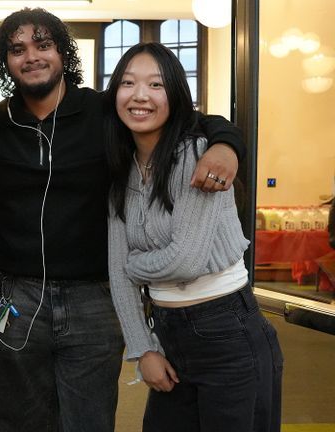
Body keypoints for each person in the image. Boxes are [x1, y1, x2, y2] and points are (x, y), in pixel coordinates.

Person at [0, 7, 247, 432]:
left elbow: (189, 119)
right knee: (20, 420)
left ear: (62, 53)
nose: (31, 56)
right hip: (13, 294)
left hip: (93, 297)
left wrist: (226, 144)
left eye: (43, 45)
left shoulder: (103, 111)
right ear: (6, 61)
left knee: (90, 420)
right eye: (17, 49)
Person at [105, 42, 283, 431]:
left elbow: (184, 260)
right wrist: (143, 350)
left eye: (155, 84)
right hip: (168, 334)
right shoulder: (121, 169)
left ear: (175, 95)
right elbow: (116, 274)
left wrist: (132, 264)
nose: (140, 95)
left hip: (228, 331)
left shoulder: (197, 155)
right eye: (128, 83)